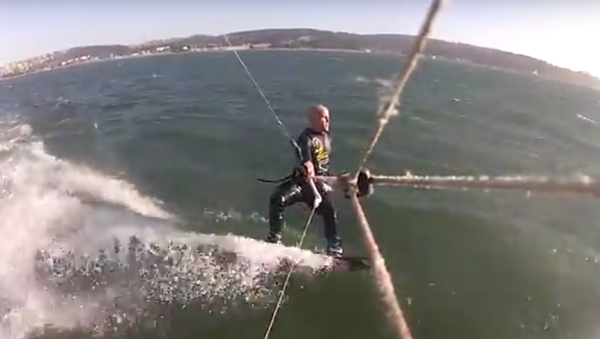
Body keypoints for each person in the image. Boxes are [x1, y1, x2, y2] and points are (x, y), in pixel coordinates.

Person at [265, 104, 343, 257]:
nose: (328, 121)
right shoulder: (305, 139)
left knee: (329, 212)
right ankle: (274, 237)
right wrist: (308, 167)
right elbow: (307, 159)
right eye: (324, 118)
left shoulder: (327, 137)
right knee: (277, 199)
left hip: (320, 185)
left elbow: (324, 165)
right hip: (301, 183)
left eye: (329, 118)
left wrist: (335, 182)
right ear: (313, 120)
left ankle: (334, 245)